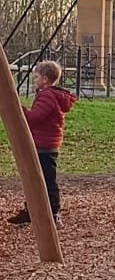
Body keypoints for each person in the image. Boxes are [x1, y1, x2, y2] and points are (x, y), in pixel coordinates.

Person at [9, 60, 75, 228]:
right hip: (46, 143)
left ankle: (53, 213)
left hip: (44, 146)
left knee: (45, 179)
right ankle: (32, 210)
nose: (34, 80)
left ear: (45, 79)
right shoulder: (48, 94)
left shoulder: (47, 95)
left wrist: (18, 108)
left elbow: (35, 118)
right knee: (36, 177)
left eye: (36, 77)